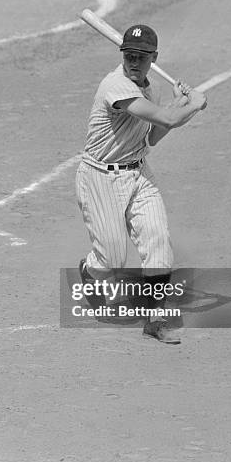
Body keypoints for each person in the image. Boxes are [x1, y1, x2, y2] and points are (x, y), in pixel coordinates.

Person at [76, 23, 207, 344]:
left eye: (141, 57)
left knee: (158, 244)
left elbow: (152, 136)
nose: (133, 62)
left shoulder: (149, 88)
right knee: (111, 261)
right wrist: (193, 104)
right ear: (122, 55)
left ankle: (155, 320)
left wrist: (180, 106)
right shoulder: (115, 86)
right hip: (100, 177)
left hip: (138, 174)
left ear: (153, 58)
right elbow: (166, 119)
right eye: (128, 55)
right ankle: (89, 271)